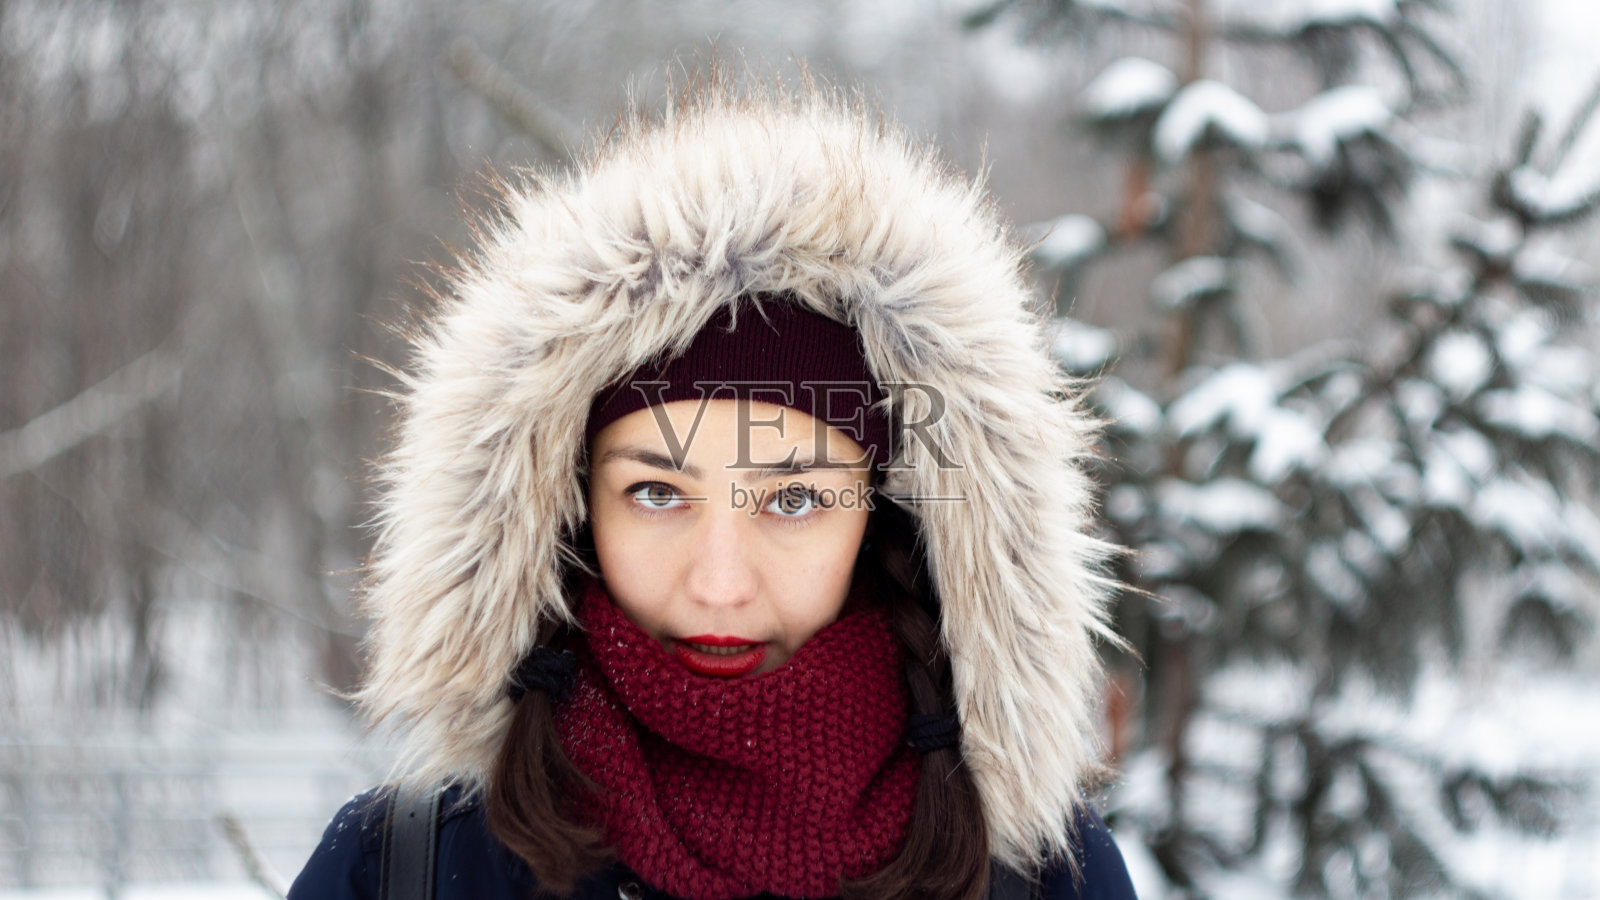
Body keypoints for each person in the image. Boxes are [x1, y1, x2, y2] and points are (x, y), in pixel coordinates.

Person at [288, 67, 1138, 900]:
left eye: (794, 499)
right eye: (657, 493)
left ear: (881, 517)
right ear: (568, 508)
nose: (720, 585)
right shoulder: (404, 867)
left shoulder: (1039, 875)